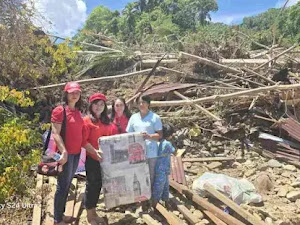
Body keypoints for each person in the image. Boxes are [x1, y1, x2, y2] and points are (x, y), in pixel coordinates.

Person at [51, 81, 84, 225]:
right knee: (62, 185)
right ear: (66, 94)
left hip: (76, 154)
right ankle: (57, 219)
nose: (75, 95)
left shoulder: (77, 111)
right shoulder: (60, 110)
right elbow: (55, 133)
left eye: (77, 92)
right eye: (72, 92)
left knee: (67, 183)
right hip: (66, 155)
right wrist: (64, 151)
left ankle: (62, 214)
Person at [82, 93, 111, 225]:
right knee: (91, 185)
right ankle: (90, 216)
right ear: (91, 105)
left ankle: (94, 212)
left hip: (104, 160)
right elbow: (83, 141)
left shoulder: (106, 121)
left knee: (98, 185)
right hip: (93, 158)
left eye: (101, 104)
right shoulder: (87, 121)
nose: (98, 107)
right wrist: (94, 151)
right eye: (96, 104)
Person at [126, 95, 162, 186]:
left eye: (144, 102)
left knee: (150, 173)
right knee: (138, 173)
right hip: (136, 151)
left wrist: (149, 136)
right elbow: (128, 133)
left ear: (148, 104)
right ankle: (141, 196)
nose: (141, 104)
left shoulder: (155, 117)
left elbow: (159, 135)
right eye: (139, 103)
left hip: (151, 151)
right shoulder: (134, 117)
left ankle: (150, 195)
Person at [152, 124, 176, 207]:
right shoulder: (167, 144)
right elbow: (174, 151)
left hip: (158, 167)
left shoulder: (156, 142)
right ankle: (156, 202)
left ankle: (161, 201)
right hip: (164, 167)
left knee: (161, 184)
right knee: (162, 185)